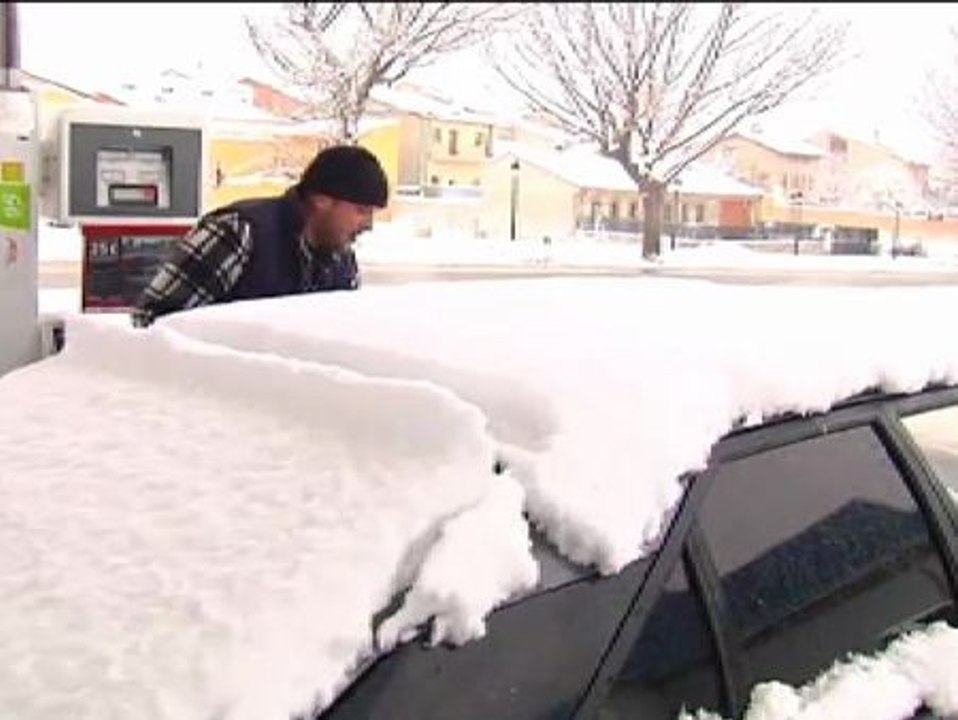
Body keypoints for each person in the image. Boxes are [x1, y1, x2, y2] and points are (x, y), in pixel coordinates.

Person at [130, 144, 389, 328]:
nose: (368, 225)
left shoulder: (340, 261)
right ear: (322, 199)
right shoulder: (238, 232)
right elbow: (152, 322)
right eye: (362, 211)